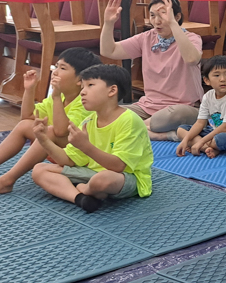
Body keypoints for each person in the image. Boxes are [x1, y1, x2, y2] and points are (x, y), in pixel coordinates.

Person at [0, 48, 100, 198]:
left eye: (63, 68)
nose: (55, 72)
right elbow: (27, 117)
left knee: (50, 131)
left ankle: (7, 180)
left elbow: (60, 132)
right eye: (56, 66)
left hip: (81, 158)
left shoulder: (85, 102)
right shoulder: (61, 97)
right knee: (25, 126)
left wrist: (56, 96)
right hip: (60, 150)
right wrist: (30, 90)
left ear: (80, 80)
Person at [31, 64, 153, 213]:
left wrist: (85, 146)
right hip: (93, 174)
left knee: (103, 179)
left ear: (112, 90)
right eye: (82, 87)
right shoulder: (88, 121)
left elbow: (118, 166)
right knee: (39, 170)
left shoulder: (129, 120)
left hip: (126, 178)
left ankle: (88, 189)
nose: (82, 92)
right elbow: (68, 160)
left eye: (90, 85)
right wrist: (43, 140)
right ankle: (81, 198)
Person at [100, 0, 203, 140]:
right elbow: (109, 51)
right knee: (106, 113)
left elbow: (191, 59)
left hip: (183, 108)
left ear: (177, 16)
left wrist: (173, 23)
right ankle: (164, 134)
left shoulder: (192, 38)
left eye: (163, 15)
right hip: (148, 107)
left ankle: (131, 129)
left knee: (172, 115)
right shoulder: (146, 38)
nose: (157, 21)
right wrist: (108, 23)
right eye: (153, 15)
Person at [176, 55, 226, 158]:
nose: (222, 79)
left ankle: (201, 145)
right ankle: (208, 149)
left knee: (219, 140)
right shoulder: (208, 96)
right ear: (207, 80)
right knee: (181, 130)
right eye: (216, 75)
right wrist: (185, 141)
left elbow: (225, 128)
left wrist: (201, 141)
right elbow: (200, 123)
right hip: (215, 132)